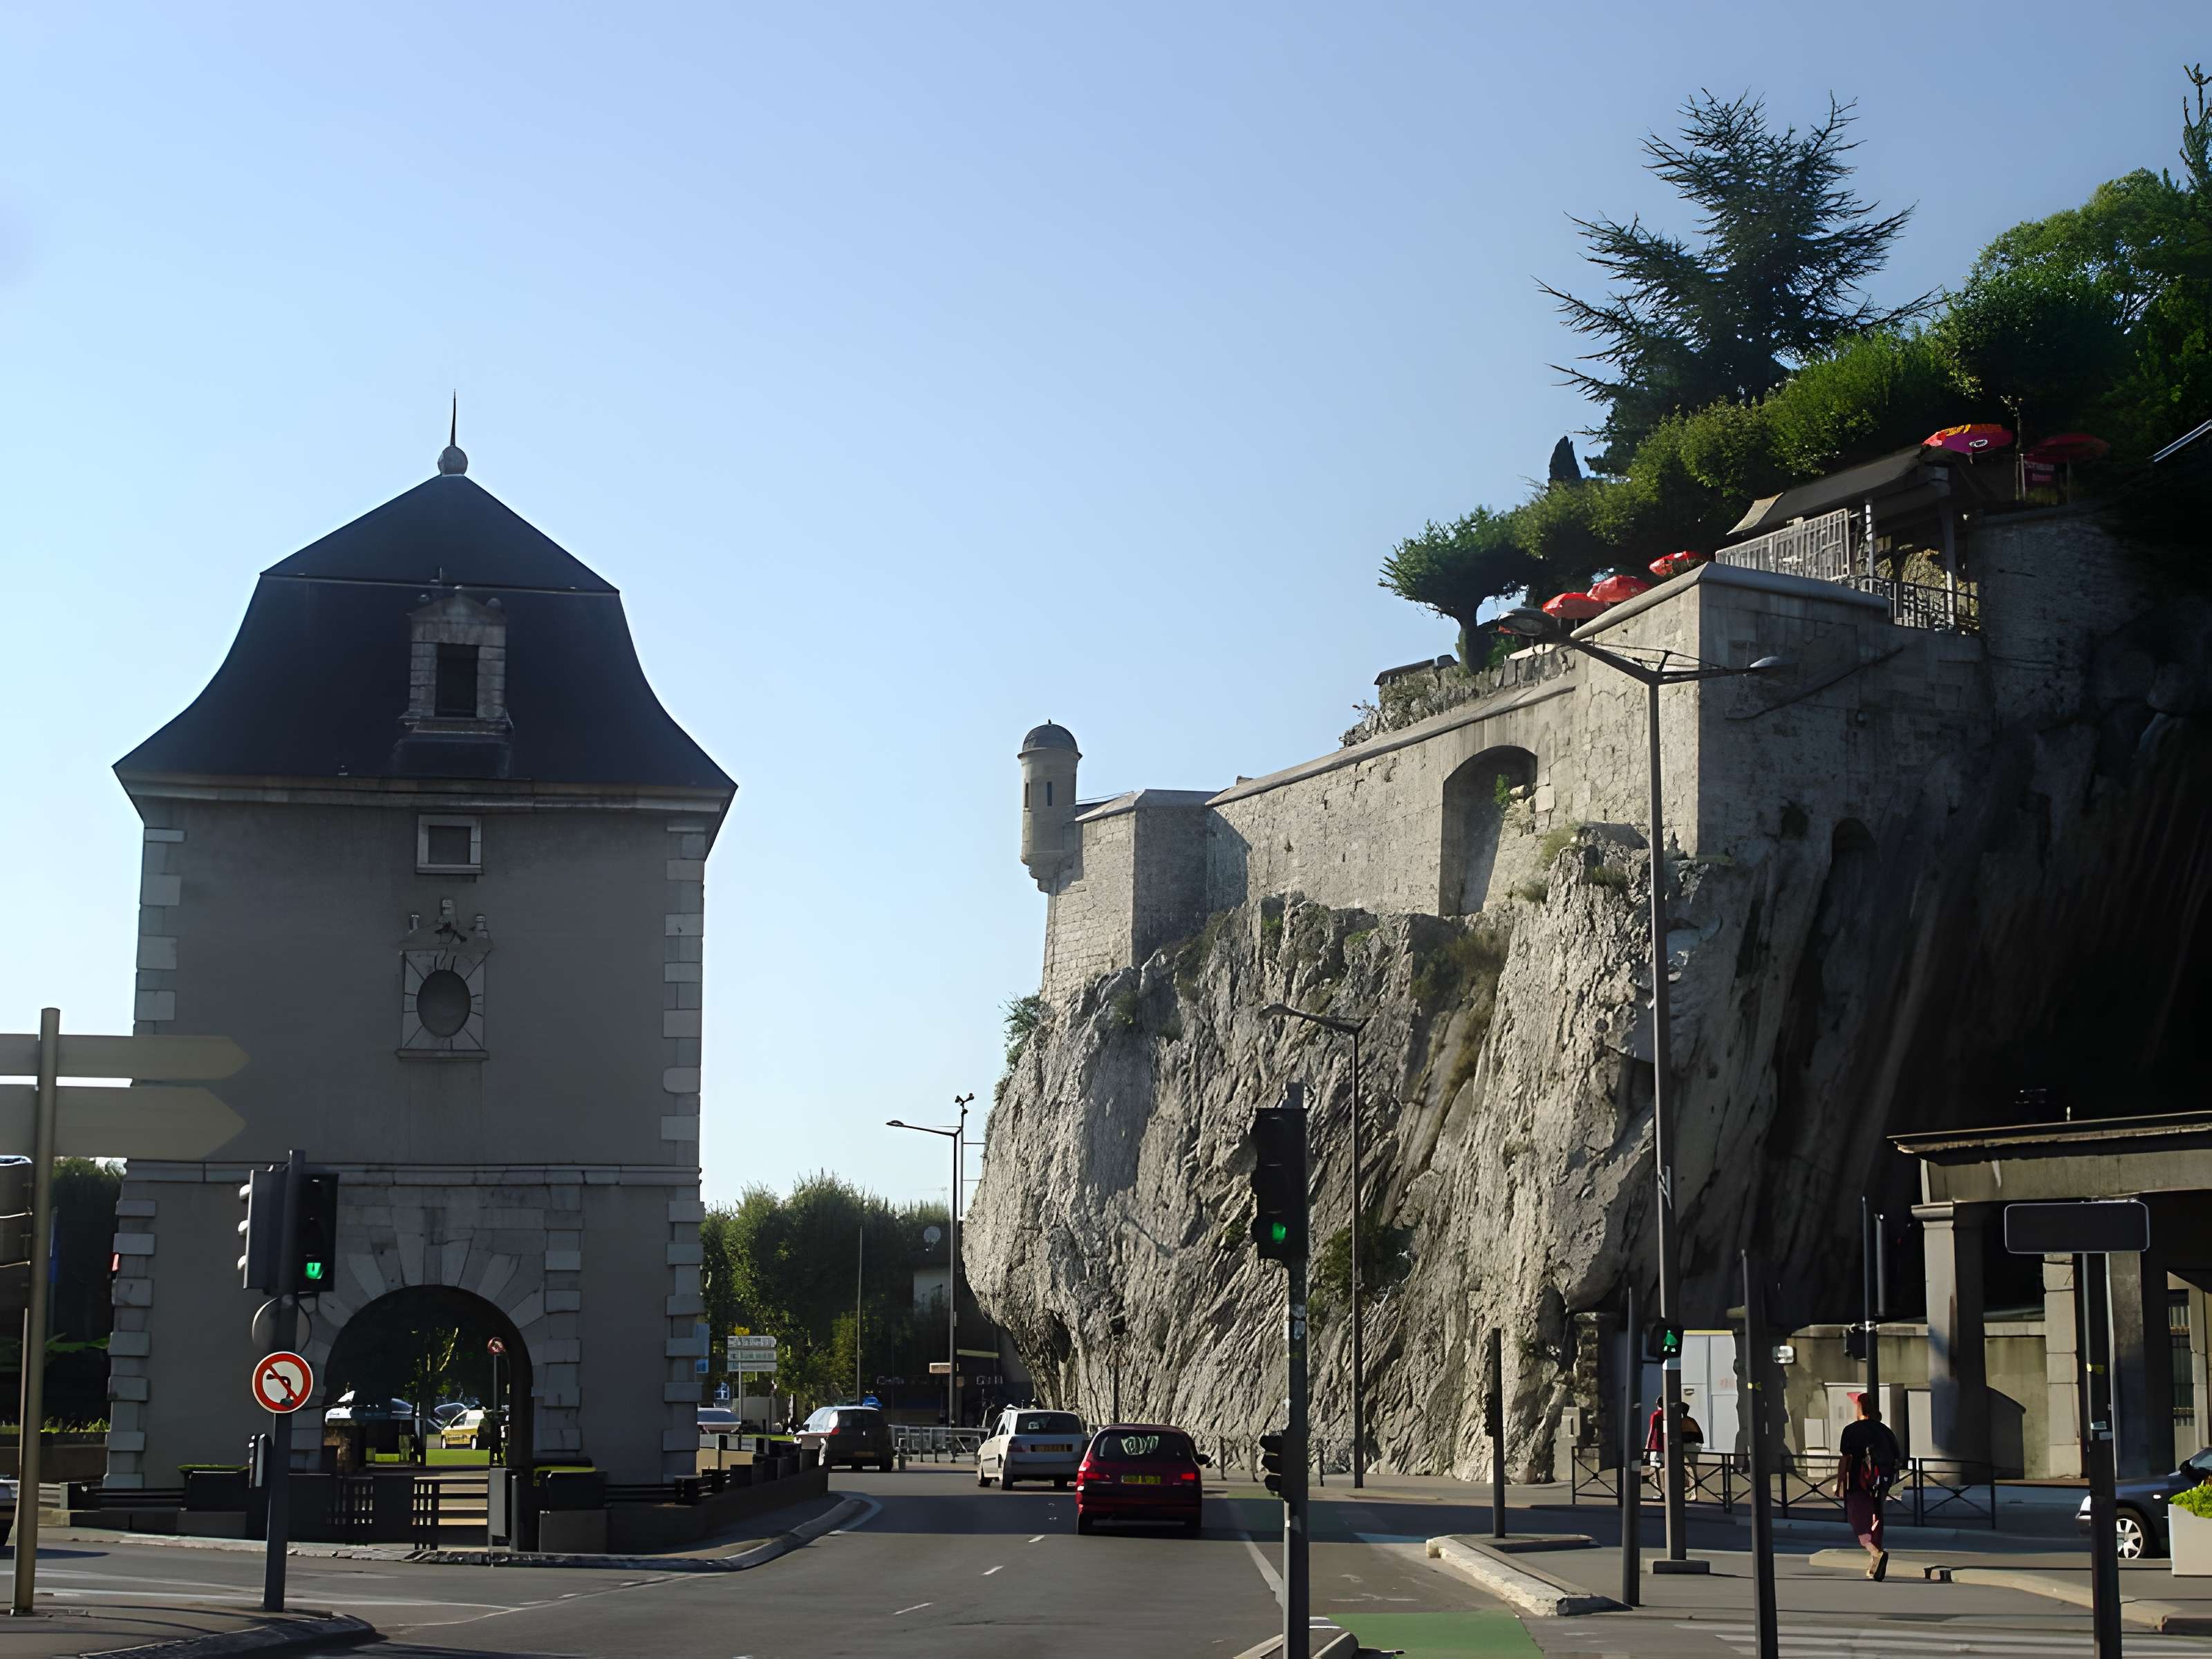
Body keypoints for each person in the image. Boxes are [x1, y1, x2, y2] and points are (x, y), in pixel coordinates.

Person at [1835, 1392, 1902, 1580]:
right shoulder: (1885, 1431)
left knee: (1859, 1522)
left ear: (1860, 1408)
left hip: (1858, 1482)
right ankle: (1874, 1562)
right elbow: (1897, 1457)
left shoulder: (1851, 1430)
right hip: (1882, 1481)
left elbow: (1846, 1459)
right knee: (1877, 1517)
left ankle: (1875, 1552)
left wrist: (1840, 1483)